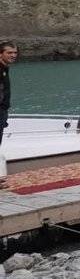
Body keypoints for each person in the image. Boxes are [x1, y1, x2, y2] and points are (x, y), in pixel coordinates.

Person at [0, 41, 18, 188]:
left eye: (15, 52)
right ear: (1, 54)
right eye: (9, 52)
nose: (13, 55)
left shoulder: (5, 68)